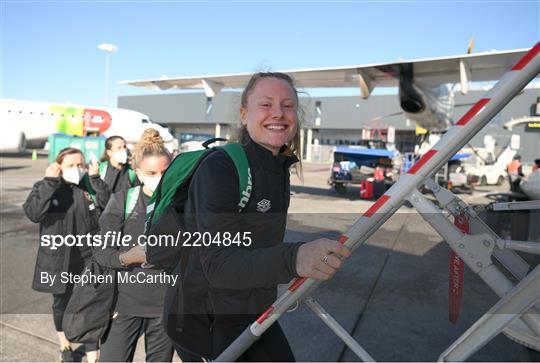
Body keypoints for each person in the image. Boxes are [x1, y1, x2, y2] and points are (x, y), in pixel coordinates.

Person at [166, 72, 351, 361]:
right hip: (207, 322)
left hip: (252, 311)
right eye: (265, 104)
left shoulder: (277, 167)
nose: (278, 113)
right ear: (244, 114)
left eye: (288, 105)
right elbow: (218, 264)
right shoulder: (221, 167)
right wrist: (294, 258)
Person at [23, 147, 110, 362]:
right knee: (61, 304)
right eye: (71, 165)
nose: (77, 169)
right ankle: (65, 345)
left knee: (89, 305)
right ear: (58, 166)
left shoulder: (87, 189)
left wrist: (95, 178)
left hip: (88, 260)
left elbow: (109, 207)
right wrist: (49, 182)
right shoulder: (46, 187)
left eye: (80, 164)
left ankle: (93, 356)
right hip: (58, 261)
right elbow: (33, 213)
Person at [94, 129, 174, 362]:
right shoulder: (122, 201)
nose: (159, 178)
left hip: (166, 307)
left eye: (165, 172)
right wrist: (127, 257)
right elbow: (101, 252)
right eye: (151, 172)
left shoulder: (182, 203)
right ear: (138, 173)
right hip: (124, 305)